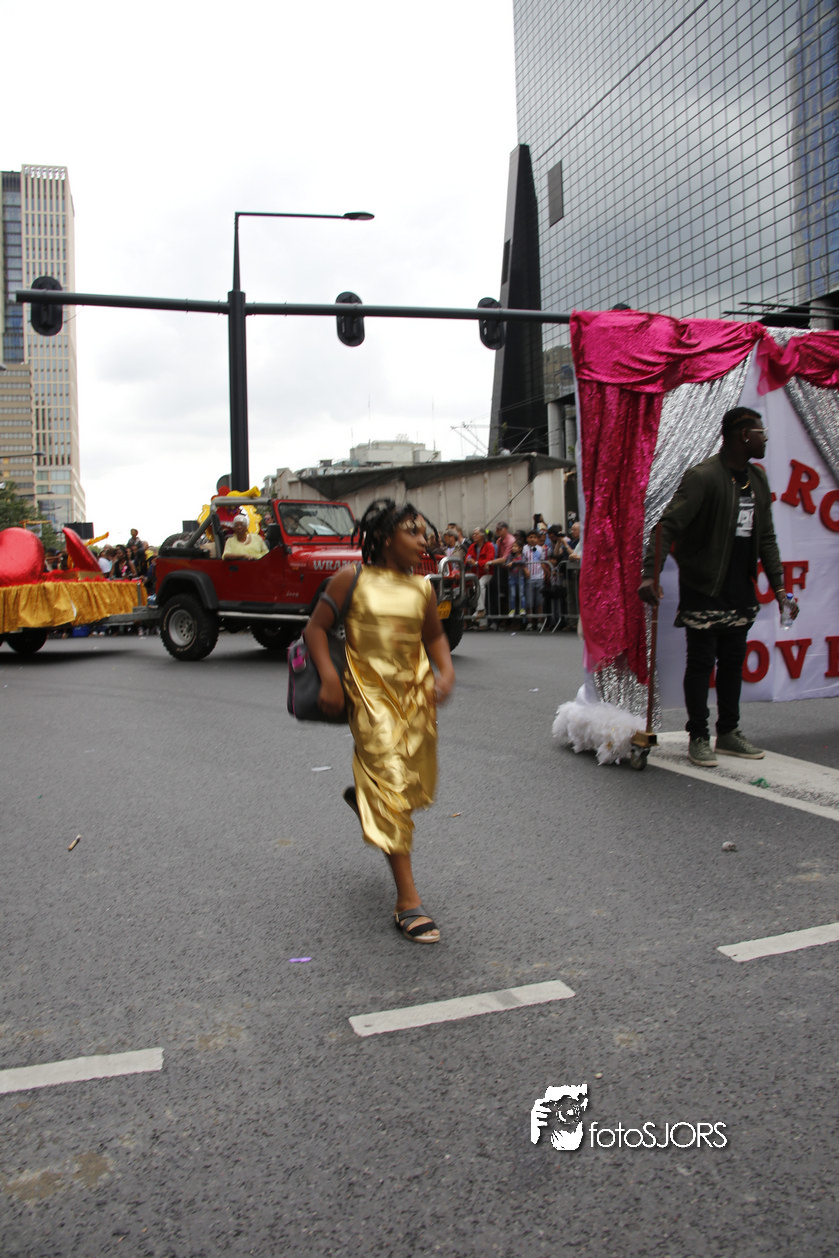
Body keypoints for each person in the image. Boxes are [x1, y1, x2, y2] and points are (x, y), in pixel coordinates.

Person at [303, 499, 455, 944]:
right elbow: (315, 629)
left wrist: (446, 673)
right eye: (413, 531)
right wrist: (329, 678)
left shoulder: (422, 588)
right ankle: (408, 900)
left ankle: (368, 802)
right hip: (370, 702)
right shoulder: (352, 578)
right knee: (391, 784)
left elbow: (435, 636)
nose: (423, 540)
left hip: (416, 701)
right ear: (387, 538)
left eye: (424, 533)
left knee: (408, 786)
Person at [638, 406, 796, 768]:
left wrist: (780, 589)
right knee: (701, 662)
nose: (765, 439)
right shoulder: (703, 477)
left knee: (732, 663)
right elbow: (666, 526)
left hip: (740, 586)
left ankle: (728, 732)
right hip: (704, 586)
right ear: (744, 435)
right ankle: (698, 735)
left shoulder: (757, 479)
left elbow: (767, 538)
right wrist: (650, 573)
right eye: (761, 433)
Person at [465, 527, 496, 619]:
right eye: (473, 534)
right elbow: (467, 558)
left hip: (487, 573)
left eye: (476, 534)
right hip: (476, 573)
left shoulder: (489, 546)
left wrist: (476, 563)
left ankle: (481, 609)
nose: (473, 535)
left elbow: (490, 559)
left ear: (482, 536)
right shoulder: (472, 546)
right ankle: (480, 612)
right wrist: (468, 561)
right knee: (476, 587)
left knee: (480, 585)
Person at [506, 540, 527, 618]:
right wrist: (511, 563)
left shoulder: (523, 555)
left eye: (515, 546)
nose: (513, 548)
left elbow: (523, 561)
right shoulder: (510, 556)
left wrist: (513, 563)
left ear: (520, 548)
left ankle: (522, 609)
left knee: (521, 594)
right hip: (512, 577)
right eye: (512, 546)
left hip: (520, 577)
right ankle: (512, 609)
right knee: (512, 594)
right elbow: (507, 563)